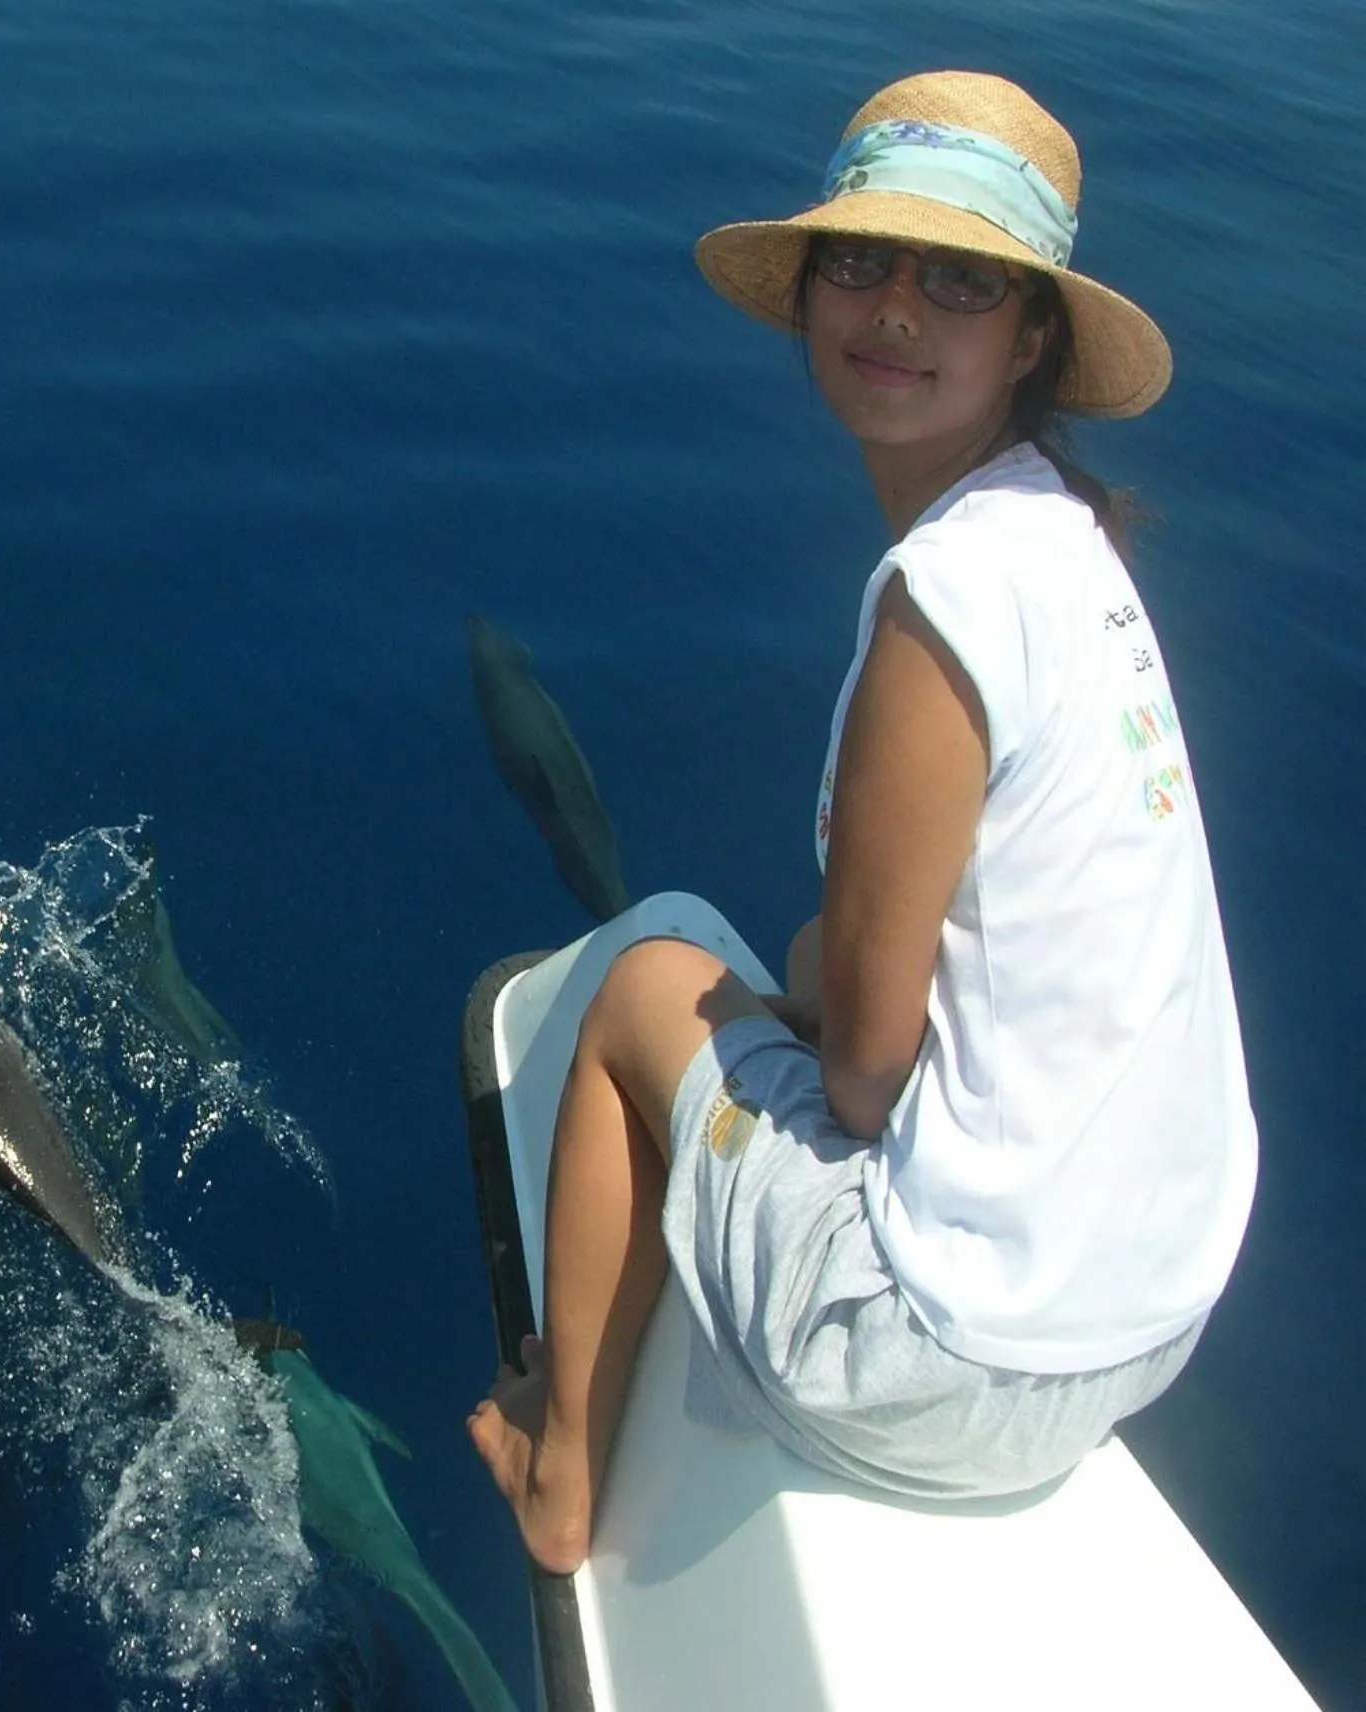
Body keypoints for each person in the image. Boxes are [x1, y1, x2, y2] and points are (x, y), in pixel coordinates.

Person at [467, 69, 1258, 1576]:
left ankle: (554, 1466)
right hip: (1149, 1325)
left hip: (948, 1371)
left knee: (645, 978)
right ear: (810, 291)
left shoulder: (936, 613)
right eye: (864, 260)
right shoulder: (1068, 554)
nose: (898, 308)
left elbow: (877, 1071)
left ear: (1031, 336)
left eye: (961, 277)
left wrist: (814, 1025)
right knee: (810, 947)